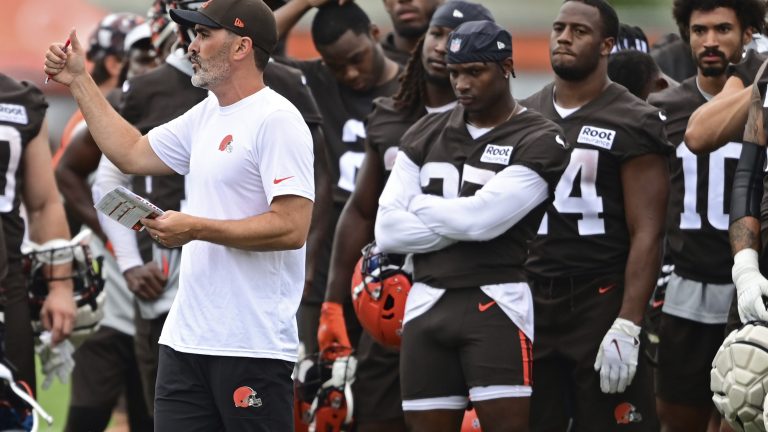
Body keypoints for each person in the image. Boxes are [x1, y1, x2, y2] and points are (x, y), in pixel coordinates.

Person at [44, 0, 315, 429]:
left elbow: (292, 226)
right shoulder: (206, 113)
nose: (191, 45)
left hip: (251, 345)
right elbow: (130, 152)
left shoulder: (278, 120)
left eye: (205, 35)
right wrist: (79, 80)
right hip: (184, 340)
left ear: (242, 47)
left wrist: (195, 228)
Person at [375, 20, 570, 432]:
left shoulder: (540, 136)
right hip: (426, 299)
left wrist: (423, 205)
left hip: (496, 299)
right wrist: (463, 218)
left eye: (475, 71)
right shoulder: (425, 131)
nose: (462, 83)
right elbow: (387, 232)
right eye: (455, 72)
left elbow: (482, 222)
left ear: (507, 67)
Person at [317, 3, 493, 430]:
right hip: (391, 305)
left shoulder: (501, 122)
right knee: (378, 419)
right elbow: (360, 211)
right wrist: (333, 303)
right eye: (436, 33)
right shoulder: (390, 113)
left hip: (471, 301)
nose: (440, 45)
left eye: (455, 36)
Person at [520, 0, 673, 430]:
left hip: (599, 299)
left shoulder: (633, 119)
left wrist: (628, 321)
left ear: (607, 45)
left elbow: (648, 230)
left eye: (579, 31)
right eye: (558, 28)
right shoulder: (524, 113)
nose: (564, 37)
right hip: (532, 298)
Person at [646, 2, 764, 430]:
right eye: (699, 30)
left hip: (750, 280)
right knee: (677, 418)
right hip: (686, 285)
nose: (710, 41)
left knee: (744, 414)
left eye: (723, 29)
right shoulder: (661, 109)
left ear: (749, 34)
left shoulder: (761, 94)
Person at [274, 1, 402, 356]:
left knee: (384, 365)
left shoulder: (413, 85)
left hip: (391, 234)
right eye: (336, 65)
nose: (348, 73)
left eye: (357, 59)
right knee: (316, 366)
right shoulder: (313, 80)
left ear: (375, 35)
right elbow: (249, 44)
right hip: (328, 237)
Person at [55, 14, 157, 432]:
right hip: (114, 284)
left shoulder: (191, 103)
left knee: (151, 412)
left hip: (162, 289)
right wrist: (125, 239)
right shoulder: (111, 106)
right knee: (91, 409)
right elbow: (70, 176)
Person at [0, 73, 75, 392]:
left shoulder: (20, 101)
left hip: (6, 287)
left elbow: (44, 204)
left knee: (13, 411)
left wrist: (60, 286)